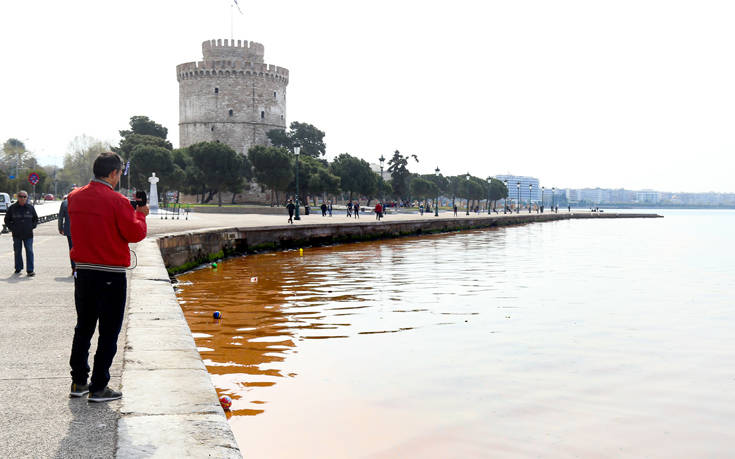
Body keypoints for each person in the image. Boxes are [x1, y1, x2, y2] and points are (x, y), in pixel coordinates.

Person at [67, 152, 149, 402]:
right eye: (120, 173)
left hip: (84, 271)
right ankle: (99, 386)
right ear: (113, 173)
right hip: (110, 273)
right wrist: (141, 214)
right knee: (108, 331)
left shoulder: (74, 197)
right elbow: (134, 234)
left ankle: (78, 381)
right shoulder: (118, 201)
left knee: (84, 327)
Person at [4, 190, 38, 276]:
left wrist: (32, 226)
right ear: (17, 197)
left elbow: (35, 219)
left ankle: (30, 270)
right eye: (20, 196)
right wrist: (12, 228)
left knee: (29, 251)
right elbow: (7, 219)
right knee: (17, 251)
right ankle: (18, 268)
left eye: (24, 197)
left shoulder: (30, 208)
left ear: (26, 198)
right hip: (17, 234)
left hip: (28, 234)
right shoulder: (12, 208)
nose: (22, 198)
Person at [58, 194, 75, 274]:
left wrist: (60, 228)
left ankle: (74, 267)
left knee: (72, 248)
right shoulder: (82, 200)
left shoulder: (65, 202)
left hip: (69, 229)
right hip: (81, 230)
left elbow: (60, 216)